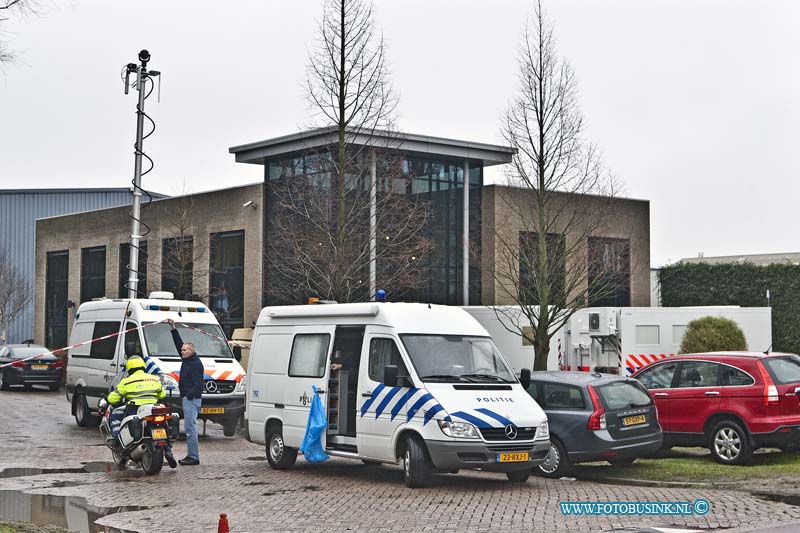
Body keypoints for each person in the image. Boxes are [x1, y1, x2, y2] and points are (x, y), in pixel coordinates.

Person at [107, 356, 177, 469]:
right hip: (153, 408)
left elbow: (112, 399)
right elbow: (162, 395)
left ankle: (116, 439)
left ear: (129, 368)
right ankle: (168, 451)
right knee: (164, 424)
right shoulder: (154, 379)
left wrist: (108, 399)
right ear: (143, 366)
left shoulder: (126, 381)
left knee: (115, 413)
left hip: (135, 409)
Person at [167, 318, 204, 466]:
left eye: (184, 350)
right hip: (188, 398)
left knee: (190, 428)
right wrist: (173, 328)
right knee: (189, 428)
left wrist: (188, 396)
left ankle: (193, 457)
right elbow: (178, 344)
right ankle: (192, 455)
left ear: (192, 351)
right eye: (181, 350)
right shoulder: (187, 360)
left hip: (191, 399)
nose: (181, 351)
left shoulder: (195, 364)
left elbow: (199, 385)